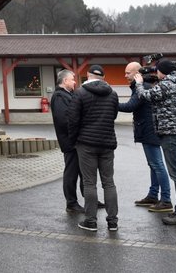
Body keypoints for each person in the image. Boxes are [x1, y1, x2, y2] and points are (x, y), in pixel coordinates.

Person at [133, 59, 176, 225]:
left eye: (158, 70)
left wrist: (139, 83)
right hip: (175, 132)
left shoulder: (166, 84)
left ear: (162, 71)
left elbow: (146, 95)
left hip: (170, 133)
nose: (156, 73)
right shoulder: (175, 82)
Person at [67, 64, 119, 232]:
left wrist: (73, 140)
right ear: (102, 77)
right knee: (109, 182)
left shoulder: (80, 93)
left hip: (86, 144)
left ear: (88, 76)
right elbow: (114, 116)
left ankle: (91, 221)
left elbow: (73, 120)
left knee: (90, 183)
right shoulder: (113, 94)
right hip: (107, 143)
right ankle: (112, 222)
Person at [118, 62, 173, 213]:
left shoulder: (142, 87)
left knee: (157, 165)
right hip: (149, 129)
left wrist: (110, 102)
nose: (125, 75)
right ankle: (153, 195)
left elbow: (130, 106)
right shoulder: (143, 86)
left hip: (150, 130)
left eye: (128, 72)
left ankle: (166, 200)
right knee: (153, 165)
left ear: (137, 73)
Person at [50, 69, 83, 213]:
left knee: (83, 172)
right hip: (70, 142)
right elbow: (64, 120)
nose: (75, 82)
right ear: (65, 81)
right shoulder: (59, 96)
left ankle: (89, 199)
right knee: (71, 173)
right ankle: (71, 203)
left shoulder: (68, 95)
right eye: (72, 79)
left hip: (76, 141)